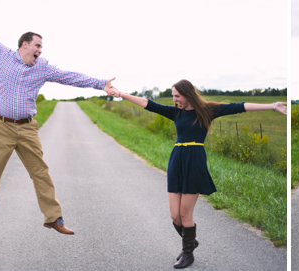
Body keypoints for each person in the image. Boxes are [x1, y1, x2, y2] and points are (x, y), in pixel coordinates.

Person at [0, 0, 118, 245]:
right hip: (0, 126)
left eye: (42, 46)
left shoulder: (41, 67)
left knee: (41, 172)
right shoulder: (2, 55)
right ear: (24, 45)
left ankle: (54, 218)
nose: (41, 50)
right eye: (38, 45)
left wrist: (100, 83)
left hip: (27, 127)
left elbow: (68, 77)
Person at [108, 80, 285, 268]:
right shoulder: (176, 113)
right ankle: (190, 241)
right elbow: (147, 104)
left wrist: (273, 106)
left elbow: (240, 107)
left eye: (177, 96)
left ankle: (187, 253)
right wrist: (121, 94)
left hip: (194, 162)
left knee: (185, 215)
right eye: (173, 96)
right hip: (176, 161)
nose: (174, 99)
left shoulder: (207, 111)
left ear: (187, 94)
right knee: (174, 216)